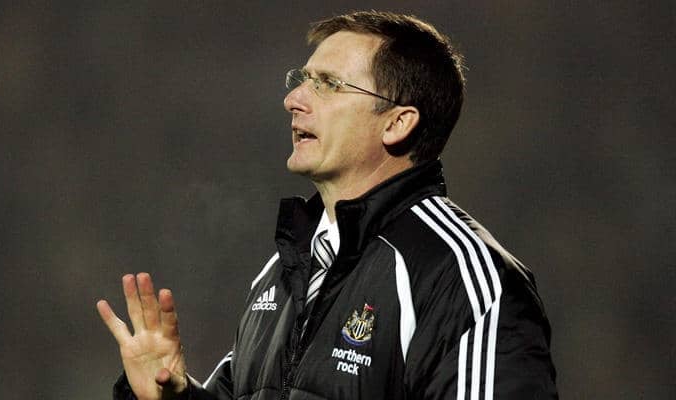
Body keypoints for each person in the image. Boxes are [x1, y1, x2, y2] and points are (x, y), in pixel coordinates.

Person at [96, 10, 558, 400]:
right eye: (302, 80)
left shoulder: (461, 276)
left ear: (397, 123)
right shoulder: (283, 271)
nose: (293, 99)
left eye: (329, 84)